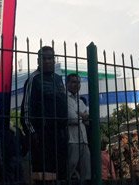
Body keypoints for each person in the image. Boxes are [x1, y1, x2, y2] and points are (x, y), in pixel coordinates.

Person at [20, 46, 68, 179]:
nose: (47, 61)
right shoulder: (33, 79)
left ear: (54, 60)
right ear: (38, 61)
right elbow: (26, 110)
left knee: (61, 173)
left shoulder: (58, 79)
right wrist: (33, 132)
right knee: (43, 175)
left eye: (50, 58)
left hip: (60, 134)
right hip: (42, 134)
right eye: (44, 58)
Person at [66, 73, 91, 180]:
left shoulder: (80, 101)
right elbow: (72, 118)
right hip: (72, 139)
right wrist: (82, 116)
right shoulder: (65, 99)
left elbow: (89, 120)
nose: (76, 85)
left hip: (83, 140)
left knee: (87, 171)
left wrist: (80, 116)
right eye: (73, 82)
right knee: (69, 169)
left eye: (78, 82)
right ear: (67, 84)